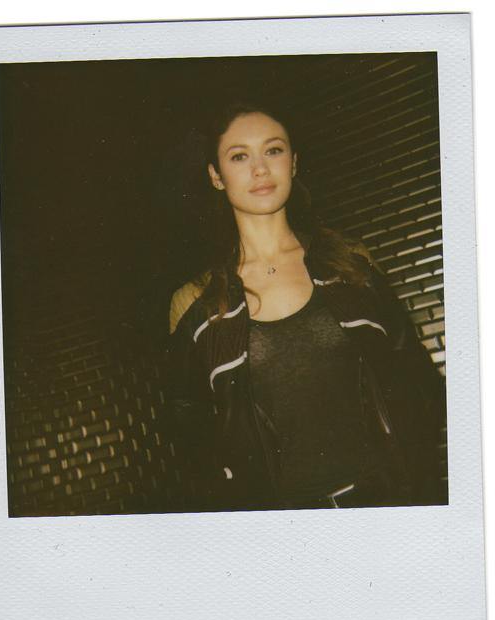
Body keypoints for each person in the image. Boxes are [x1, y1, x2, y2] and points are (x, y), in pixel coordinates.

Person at [166, 102, 447, 512]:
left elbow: (416, 375)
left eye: (273, 150)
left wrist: (414, 475)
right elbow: (189, 430)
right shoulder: (195, 304)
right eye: (239, 156)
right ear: (216, 176)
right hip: (288, 532)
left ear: (294, 162)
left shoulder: (349, 263)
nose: (260, 169)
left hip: (389, 508)